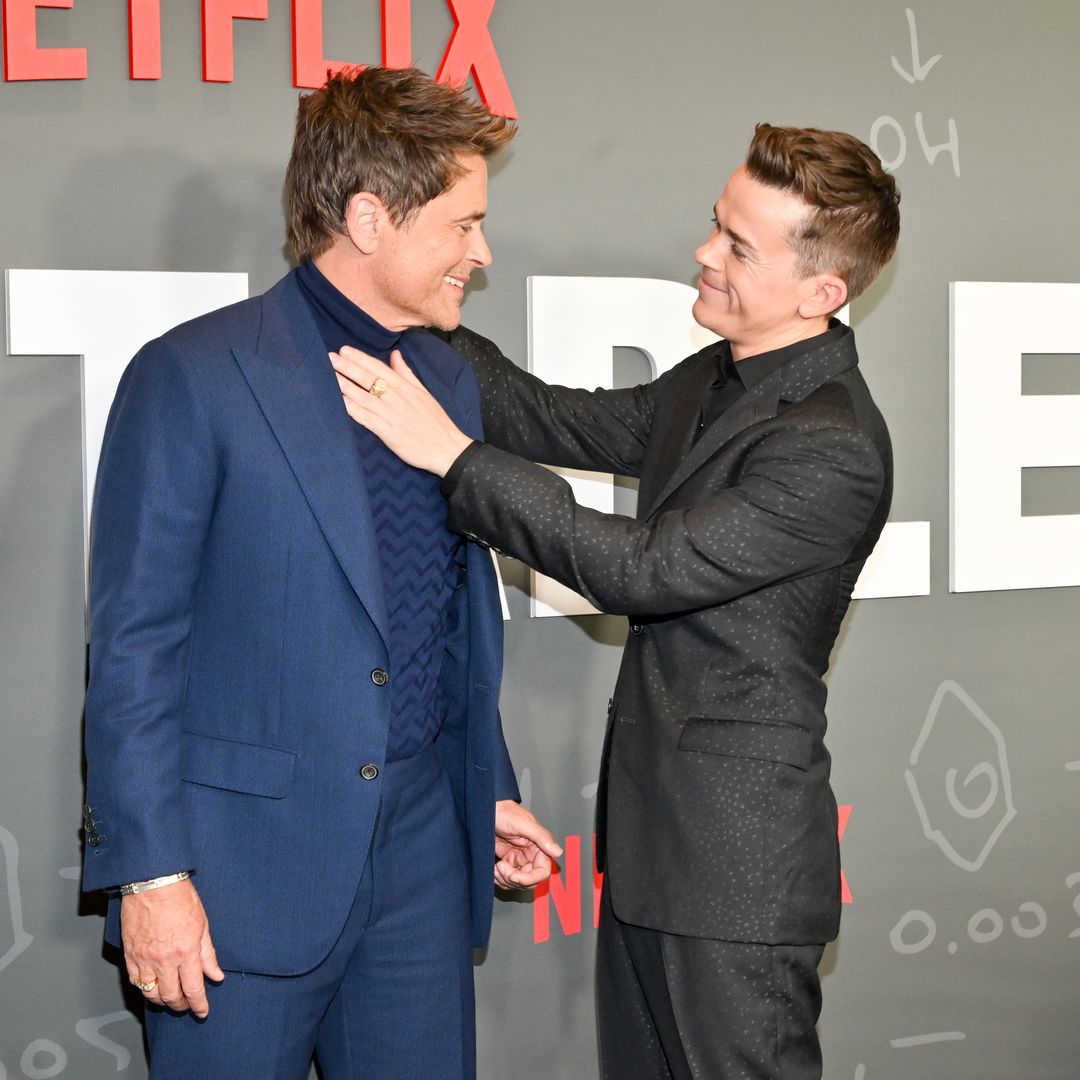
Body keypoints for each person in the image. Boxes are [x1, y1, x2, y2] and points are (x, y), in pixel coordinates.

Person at [331, 123, 900, 1079]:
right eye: (715, 225)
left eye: (737, 247)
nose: (703, 254)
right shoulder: (720, 379)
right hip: (654, 856)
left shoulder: (829, 442)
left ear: (822, 291)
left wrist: (453, 458)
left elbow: (643, 570)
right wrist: (414, 298)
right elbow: (554, 416)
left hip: (736, 877)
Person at [81, 66, 560, 1080]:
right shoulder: (195, 376)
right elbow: (135, 649)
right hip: (238, 882)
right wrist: (151, 873)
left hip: (424, 865)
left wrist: (487, 792)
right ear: (370, 218)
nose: (483, 252)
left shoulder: (447, 382)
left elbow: (447, 619)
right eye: (462, 224)